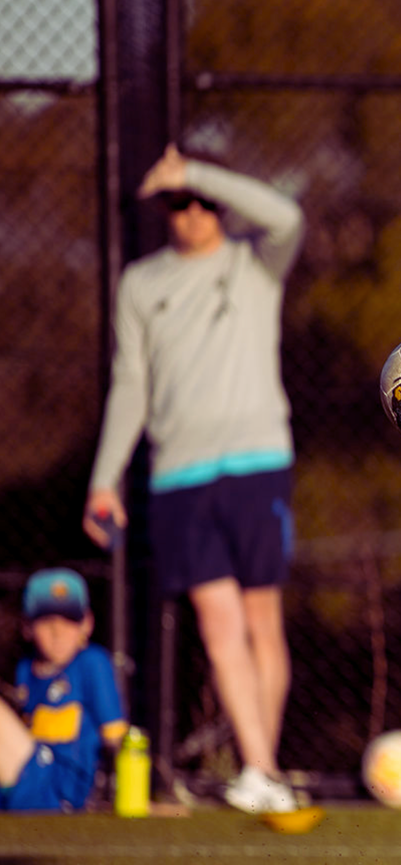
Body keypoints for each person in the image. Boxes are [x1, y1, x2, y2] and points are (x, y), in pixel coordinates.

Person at [82, 144, 306, 814]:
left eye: (202, 200)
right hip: (179, 474)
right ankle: (261, 770)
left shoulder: (253, 264)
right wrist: (105, 478)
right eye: (177, 202)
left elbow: (286, 214)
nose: (191, 213)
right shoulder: (141, 285)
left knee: (263, 619)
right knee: (217, 622)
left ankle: (262, 768)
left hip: (257, 463)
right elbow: (131, 385)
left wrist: (195, 173)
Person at [0, 569, 128, 813]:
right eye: (46, 621)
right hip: (30, 778)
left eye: (69, 620)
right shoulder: (26, 669)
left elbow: (117, 738)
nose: (57, 632)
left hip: (62, 789)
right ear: (27, 626)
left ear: (87, 624)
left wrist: (134, 796)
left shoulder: (92, 662)